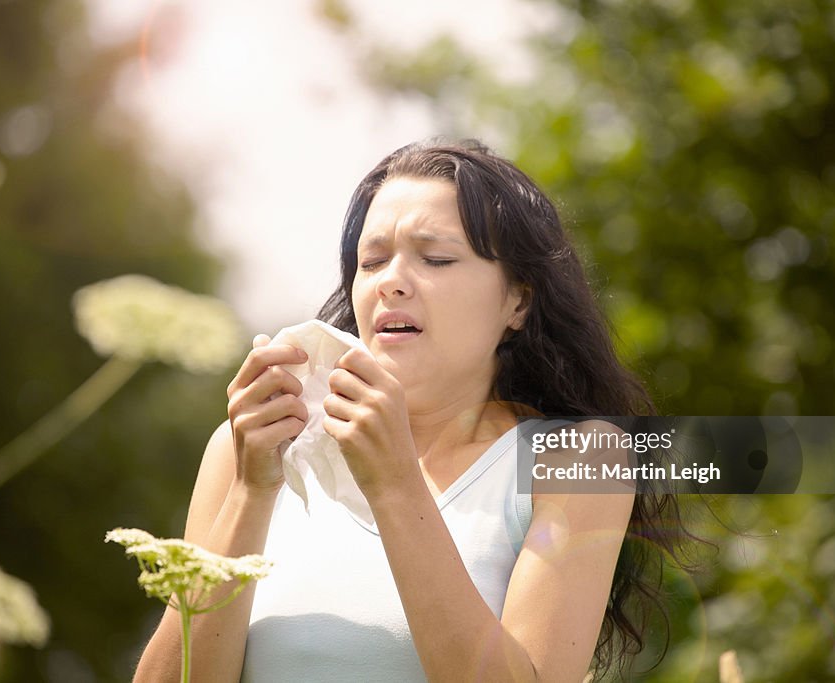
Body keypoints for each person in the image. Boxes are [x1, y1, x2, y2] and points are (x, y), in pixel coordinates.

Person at [134, 139, 686, 682]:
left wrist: (396, 485)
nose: (391, 282)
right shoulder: (249, 451)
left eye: (436, 258)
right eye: (371, 262)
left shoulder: (579, 460)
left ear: (518, 300)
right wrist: (251, 491)